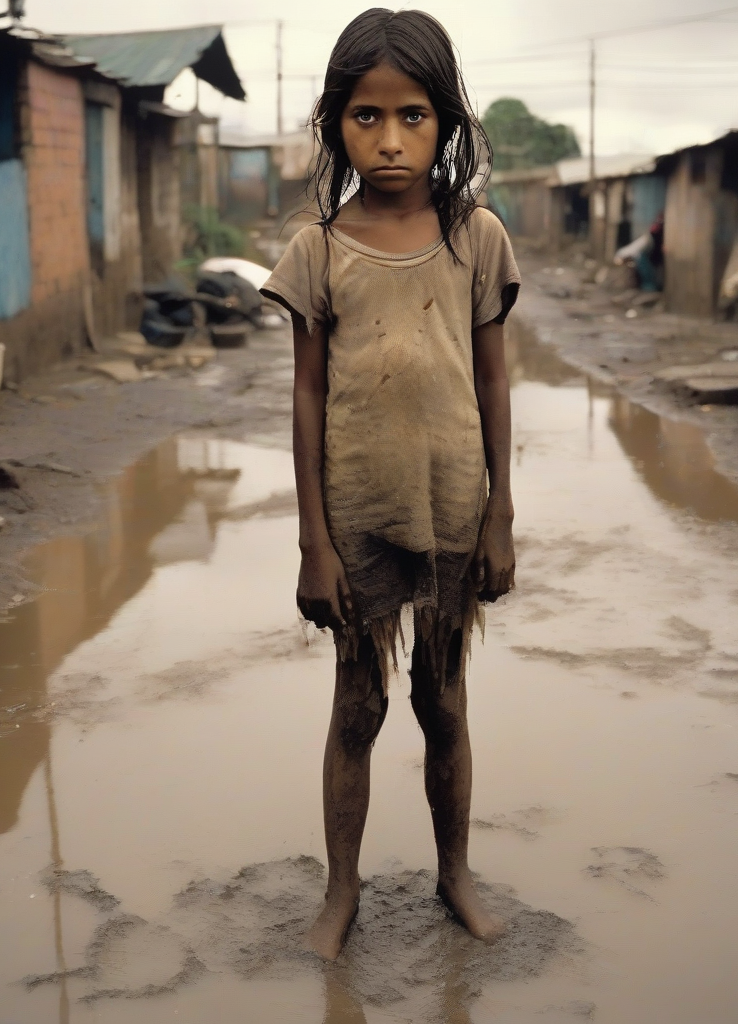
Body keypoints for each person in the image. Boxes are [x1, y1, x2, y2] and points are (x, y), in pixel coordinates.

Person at [260, 8, 519, 961]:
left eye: (413, 115)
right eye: (366, 117)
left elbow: (493, 380)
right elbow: (306, 394)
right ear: (336, 125)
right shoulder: (317, 252)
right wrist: (312, 543)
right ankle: (341, 893)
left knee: (442, 701)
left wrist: (500, 515)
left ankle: (455, 876)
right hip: (357, 515)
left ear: (446, 122)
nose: (391, 138)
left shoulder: (476, 237)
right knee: (358, 705)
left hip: (451, 510)